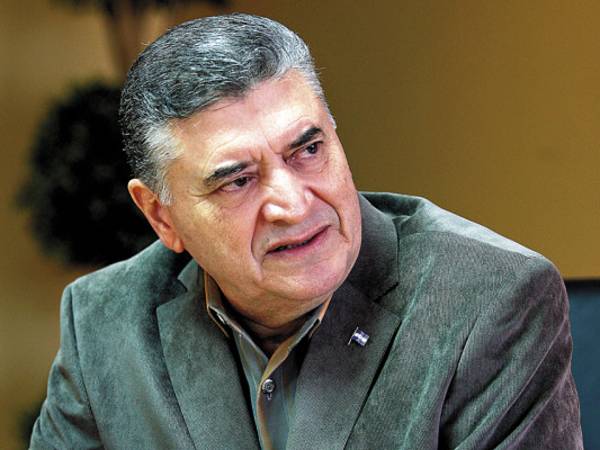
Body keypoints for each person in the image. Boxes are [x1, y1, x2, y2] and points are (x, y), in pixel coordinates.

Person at [30, 13, 582, 450]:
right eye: (237, 181)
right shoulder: (103, 321)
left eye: (308, 150)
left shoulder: (490, 302)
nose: (293, 205)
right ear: (161, 217)